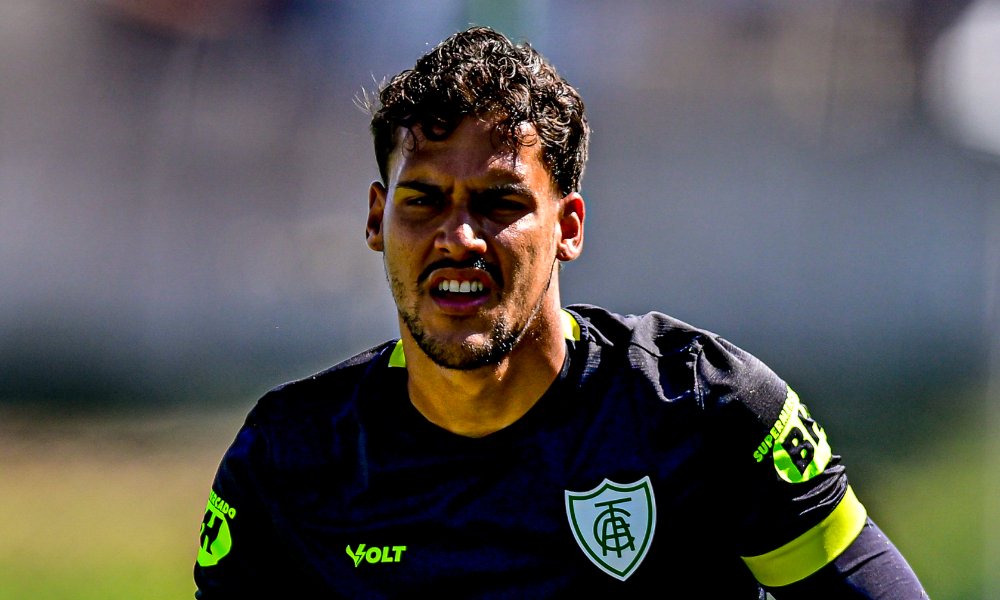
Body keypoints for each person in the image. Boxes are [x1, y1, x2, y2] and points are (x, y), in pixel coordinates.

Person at [194, 26, 927, 598]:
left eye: (499, 202)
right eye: (424, 201)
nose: (459, 237)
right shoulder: (289, 459)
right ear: (376, 219)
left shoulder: (703, 410)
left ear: (567, 227)